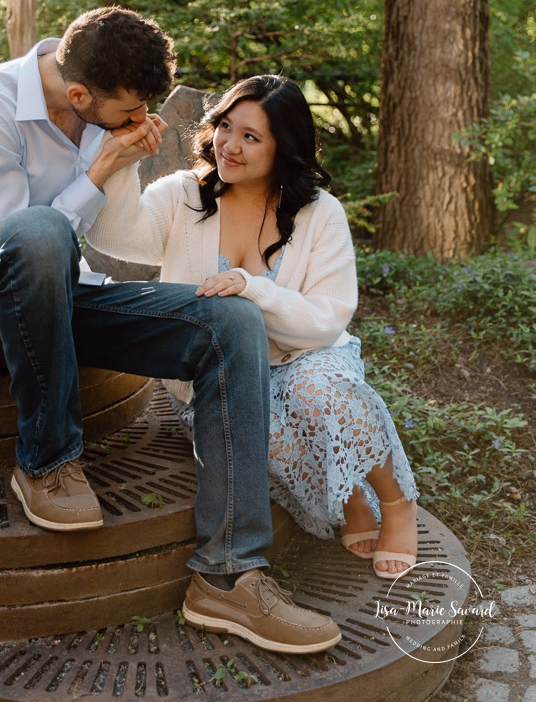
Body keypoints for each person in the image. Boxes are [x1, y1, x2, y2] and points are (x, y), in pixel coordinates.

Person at [0, 9, 341, 654]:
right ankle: (48, 461)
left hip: (69, 300)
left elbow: (115, 237)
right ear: (79, 95)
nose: (139, 123)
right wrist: (97, 168)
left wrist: (121, 163)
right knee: (39, 230)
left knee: (230, 319)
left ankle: (230, 574)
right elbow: (16, 246)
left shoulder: (97, 99)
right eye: (129, 113)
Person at [86, 73, 418, 580]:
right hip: (219, 373)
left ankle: (395, 505)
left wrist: (253, 287)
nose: (229, 146)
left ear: (283, 148)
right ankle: (348, 501)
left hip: (306, 352)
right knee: (264, 432)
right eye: (225, 126)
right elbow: (115, 236)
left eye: (250, 137)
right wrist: (123, 164)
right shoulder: (183, 194)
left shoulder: (319, 213)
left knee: (320, 395)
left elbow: (328, 320)